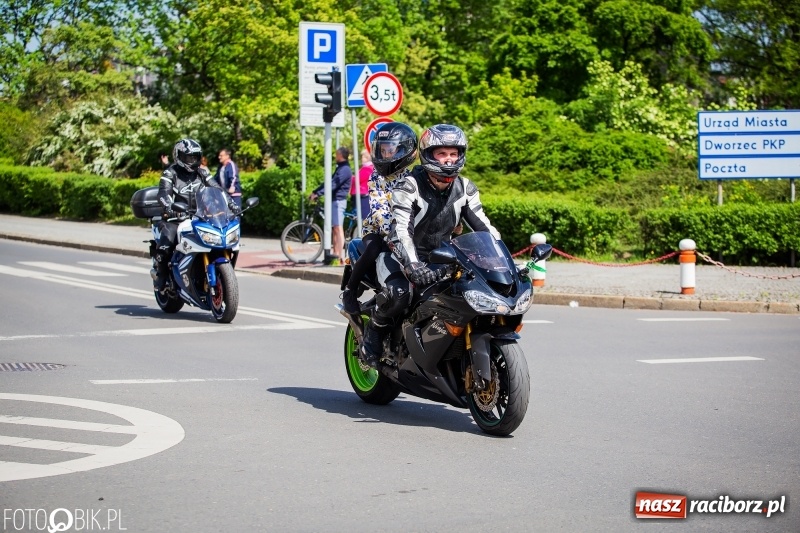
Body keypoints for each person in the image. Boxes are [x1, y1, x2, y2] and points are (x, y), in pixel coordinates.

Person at [360, 124, 500, 366]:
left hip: (443, 259)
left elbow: (485, 227)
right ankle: (374, 332)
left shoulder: (465, 188)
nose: (449, 159)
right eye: (442, 153)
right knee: (399, 294)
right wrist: (413, 265)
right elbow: (401, 231)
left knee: (467, 296)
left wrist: (503, 260)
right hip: (400, 256)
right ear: (428, 154)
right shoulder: (409, 186)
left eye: (453, 153)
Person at [341, 123, 418, 314]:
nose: (385, 155)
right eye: (382, 151)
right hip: (378, 231)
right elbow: (379, 209)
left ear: (404, 150)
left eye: (390, 150)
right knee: (374, 247)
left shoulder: (413, 178)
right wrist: (393, 234)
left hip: (406, 232)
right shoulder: (377, 177)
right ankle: (350, 290)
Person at [153, 138, 239, 291]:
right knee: (168, 241)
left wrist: (231, 205)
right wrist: (169, 207)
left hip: (200, 217)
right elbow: (163, 194)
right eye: (188, 157)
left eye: (195, 157)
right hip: (176, 217)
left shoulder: (202, 172)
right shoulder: (170, 173)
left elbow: (217, 189)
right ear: (178, 156)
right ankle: (161, 276)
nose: (192, 160)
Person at [309, 147, 352, 263]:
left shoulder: (345, 169)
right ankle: (335, 254)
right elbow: (329, 182)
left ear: (341, 155)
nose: (335, 156)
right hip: (335, 201)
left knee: (338, 228)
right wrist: (316, 191)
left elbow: (333, 184)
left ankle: (340, 256)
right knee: (335, 228)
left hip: (338, 201)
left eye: (336, 154)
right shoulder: (341, 168)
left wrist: (318, 193)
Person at [351, 149, 372, 221]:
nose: (362, 159)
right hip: (361, 195)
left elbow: (357, 179)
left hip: (362, 195)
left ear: (367, 158)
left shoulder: (367, 168)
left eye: (363, 157)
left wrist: (351, 178)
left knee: (363, 218)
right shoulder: (366, 168)